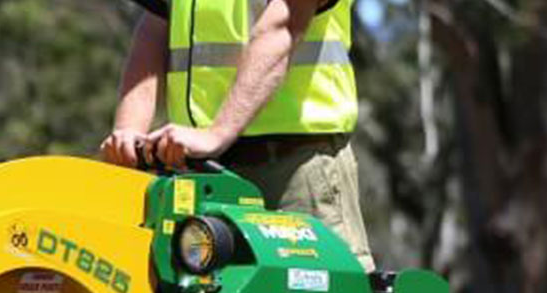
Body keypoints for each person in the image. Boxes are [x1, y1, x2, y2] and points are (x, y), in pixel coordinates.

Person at [101, 0, 374, 269]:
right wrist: (129, 133)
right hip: (200, 172)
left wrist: (217, 133)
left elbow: (284, 26)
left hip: (292, 167)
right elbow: (154, 29)